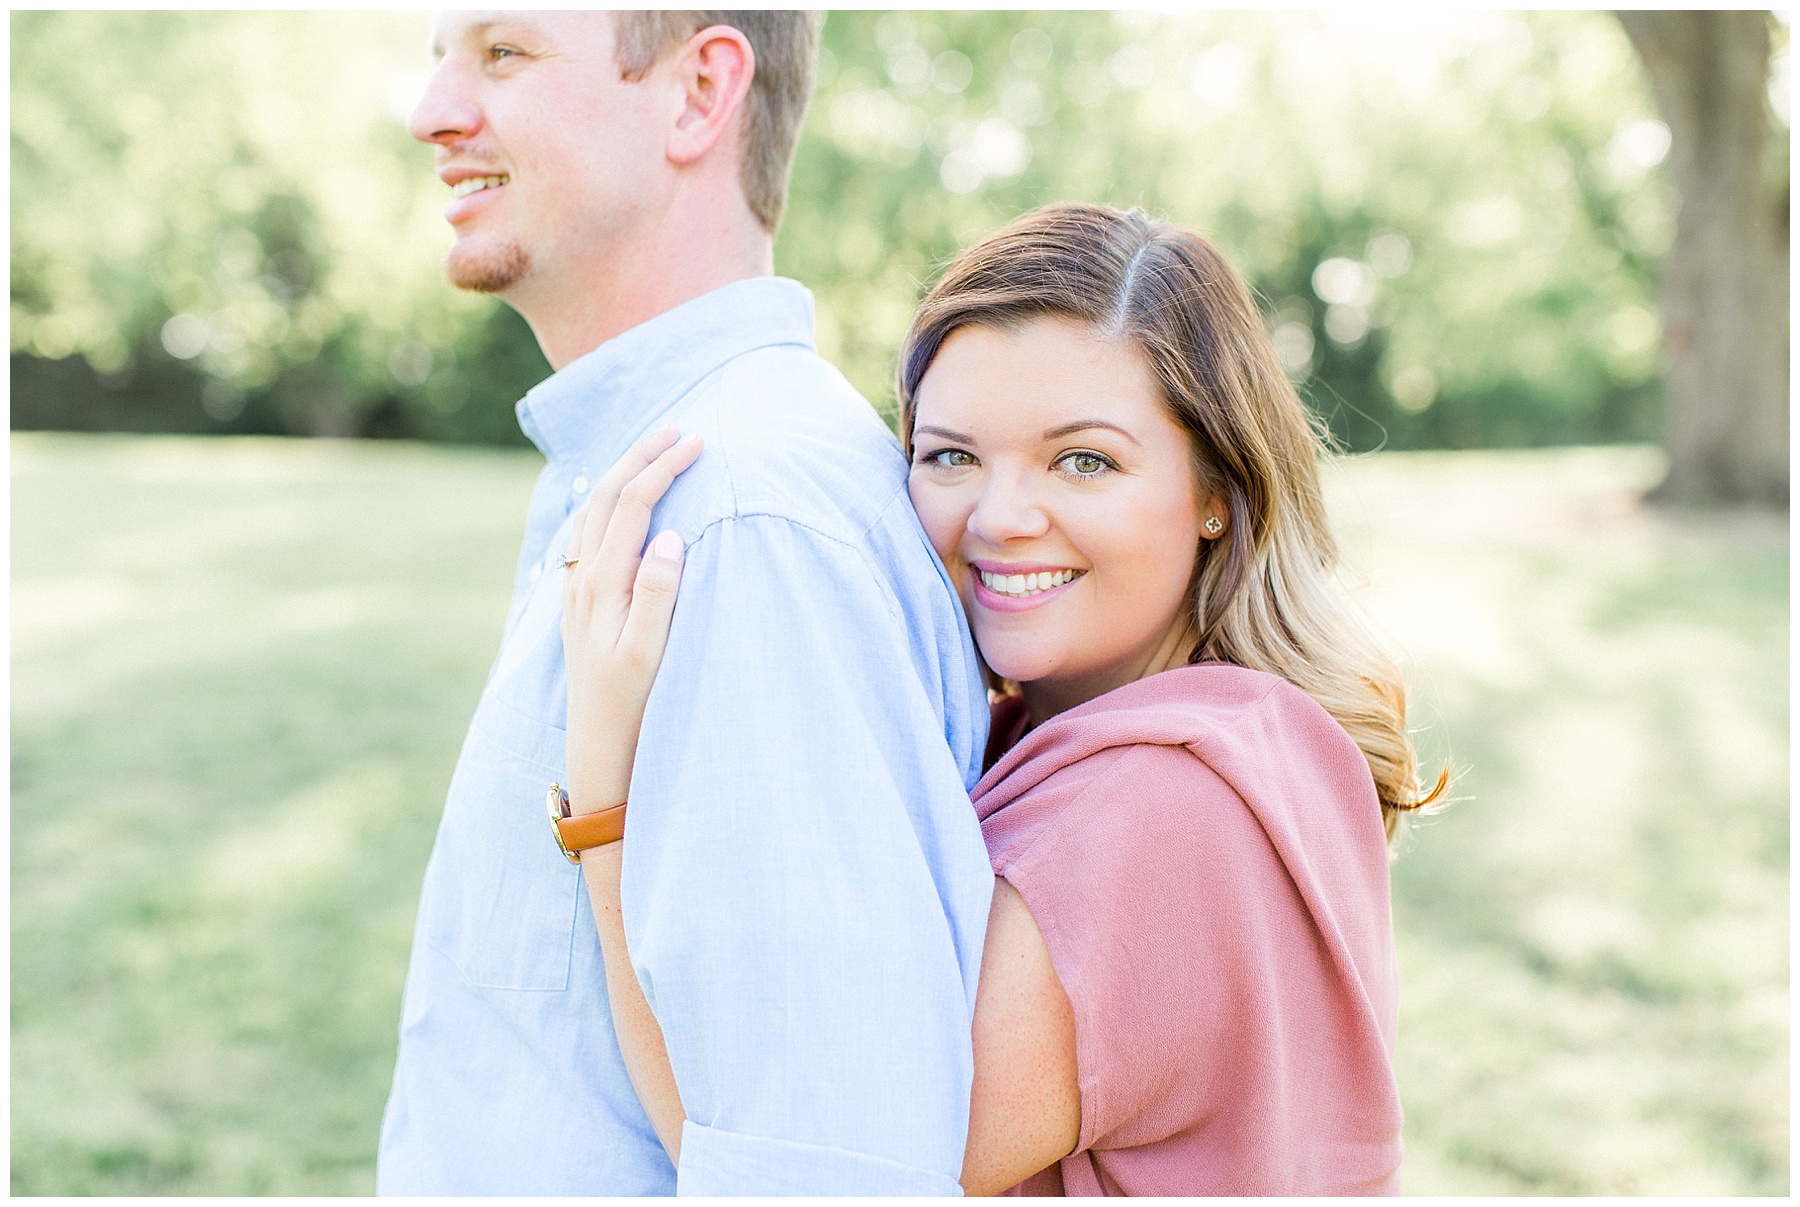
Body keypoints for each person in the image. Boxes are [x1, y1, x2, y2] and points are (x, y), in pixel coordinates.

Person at [561, 202, 1449, 1195]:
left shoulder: (1162, 812)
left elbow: (802, 1171)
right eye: (951, 455)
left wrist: (603, 794)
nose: (1001, 517)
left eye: (1085, 460)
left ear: (1217, 491)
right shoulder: (1227, 738)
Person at [378, 12, 997, 1195]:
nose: (433, 113)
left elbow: (826, 1173)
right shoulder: (638, 471)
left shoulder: (742, 522)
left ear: (699, 92)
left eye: (503, 54)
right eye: (439, 58)